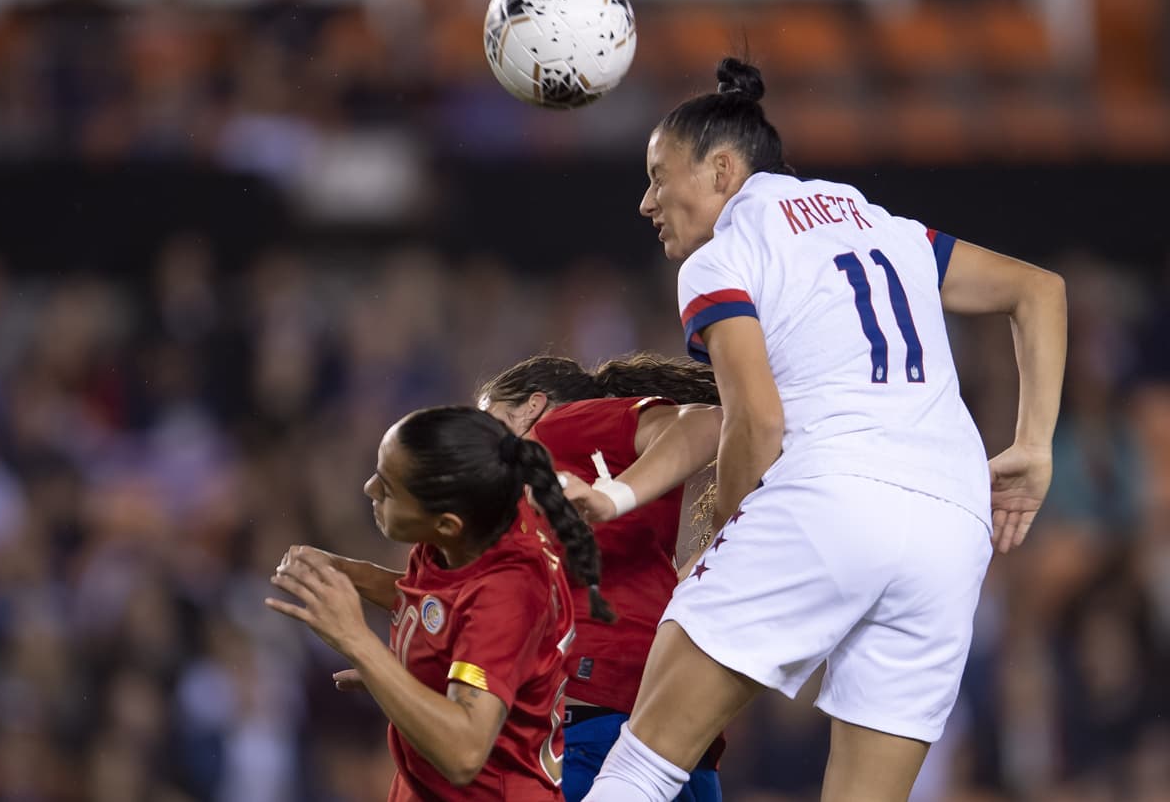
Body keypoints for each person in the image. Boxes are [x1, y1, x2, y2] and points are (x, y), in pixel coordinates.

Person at [582, 57, 1068, 802]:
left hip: (830, 492)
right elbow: (1039, 289)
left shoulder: (726, 253)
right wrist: (1034, 444)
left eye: (658, 175)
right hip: (953, 522)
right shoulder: (883, 225)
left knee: (642, 763)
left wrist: (725, 539)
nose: (647, 202)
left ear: (720, 170)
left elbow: (758, 417)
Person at [266, 405, 614, 801]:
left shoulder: (508, 594)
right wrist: (349, 573)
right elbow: (446, 607)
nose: (369, 489)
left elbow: (464, 753)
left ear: (447, 523)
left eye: (388, 488)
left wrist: (359, 643)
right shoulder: (479, 518)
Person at [478, 353, 725, 802]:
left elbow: (705, 422)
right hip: (668, 726)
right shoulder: (567, 478)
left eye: (488, 418)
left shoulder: (554, 432)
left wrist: (611, 498)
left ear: (532, 405)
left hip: (596, 733)